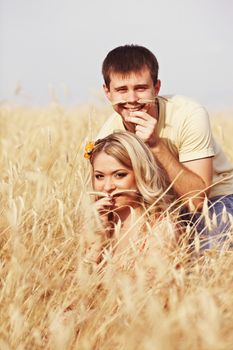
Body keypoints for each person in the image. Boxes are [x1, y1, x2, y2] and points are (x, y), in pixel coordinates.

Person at [97, 44, 233, 249]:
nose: (132, 99)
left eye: (141, 88)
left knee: (206, 253)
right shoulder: (108, 134)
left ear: (156, 88)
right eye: (122, 90)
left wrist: (155, 145)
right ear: (108, 92)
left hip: (216, 199)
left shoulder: (189, 114)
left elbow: (197, 201)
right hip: (160, 205)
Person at [85, 131, 180, 263]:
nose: (107, 187)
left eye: (119, 175)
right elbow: (77, 282)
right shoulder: (94, 226)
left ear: (142, 174)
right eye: (99, 176)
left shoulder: (160, 230)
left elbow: (154, 282)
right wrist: (98, 242)